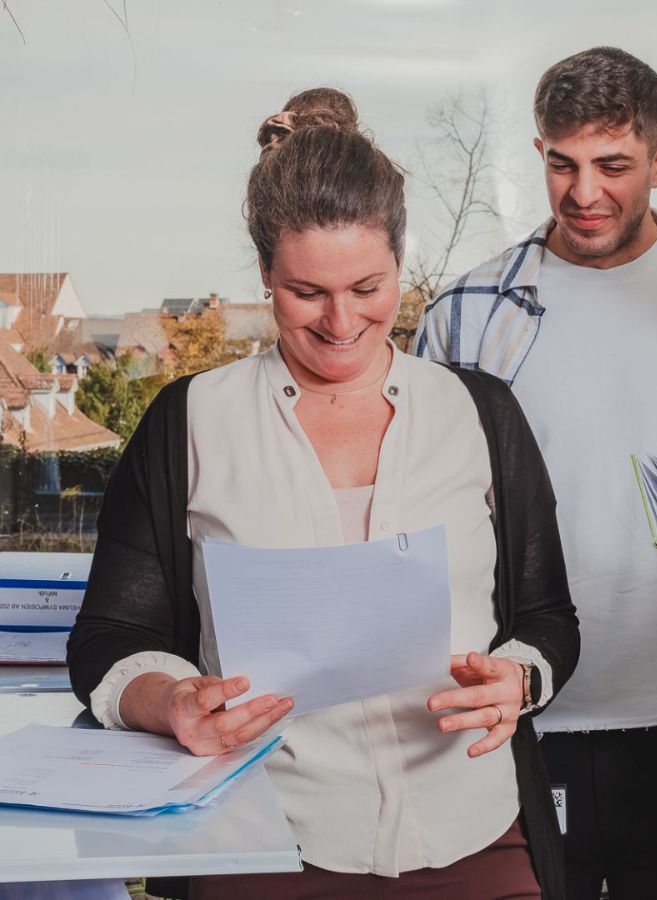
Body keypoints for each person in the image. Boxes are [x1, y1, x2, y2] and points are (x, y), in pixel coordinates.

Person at [67, 87, 579, 900]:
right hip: (264, 838)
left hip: (477, 828)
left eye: (369, 287)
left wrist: (516, 678)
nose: (342, 322)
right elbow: (107, 637)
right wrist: (171, 701)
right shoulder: (189, 421)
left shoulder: (479, 413)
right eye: (307, 292)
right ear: (265, 272)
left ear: (401, 264)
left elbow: (549, 619)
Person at [416, 47, 657, 900]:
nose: (584, 193)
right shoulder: (467, 316)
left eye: (613, 166)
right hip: (522, 716)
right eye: (563, 164)